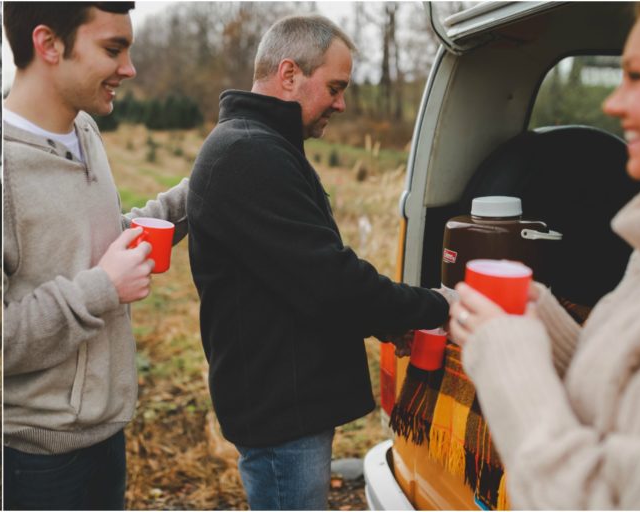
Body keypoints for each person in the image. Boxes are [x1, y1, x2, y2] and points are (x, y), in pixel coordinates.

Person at [187, 15, 450, 510]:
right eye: (334, 87)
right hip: (282, 410)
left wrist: (385, 321)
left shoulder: (263, 145)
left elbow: (303, 275)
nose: (341, 103)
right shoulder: (249, 153)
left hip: (287, 400)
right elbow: (329, 280)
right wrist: (434, 306)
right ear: (289, 74)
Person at [447, 2, 640, 508]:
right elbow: (628, 398)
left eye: (637, 76)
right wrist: (544, 324)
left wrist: (509, 354)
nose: (614, 105)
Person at [1, 2, 188, 510]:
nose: (128, 69)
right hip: (37, 462)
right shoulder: (3, 170)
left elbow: (99, 245)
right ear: (49, 44)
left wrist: (200, 190)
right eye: (113, 49)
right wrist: (103, 289)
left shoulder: (84, 131)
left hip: (106, 437)